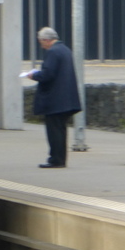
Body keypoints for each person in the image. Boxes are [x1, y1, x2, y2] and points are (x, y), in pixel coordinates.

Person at [23, 27, 82, 168]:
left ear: (47, 40)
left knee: (54, 132)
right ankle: (60, 159)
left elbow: (48, 74)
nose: (41, 44)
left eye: (41, 41)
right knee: (61, 130)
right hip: (66, 99)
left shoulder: (53, 52)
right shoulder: (65, 50)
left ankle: (55, 159)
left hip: (55, 100)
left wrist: (33, 75)